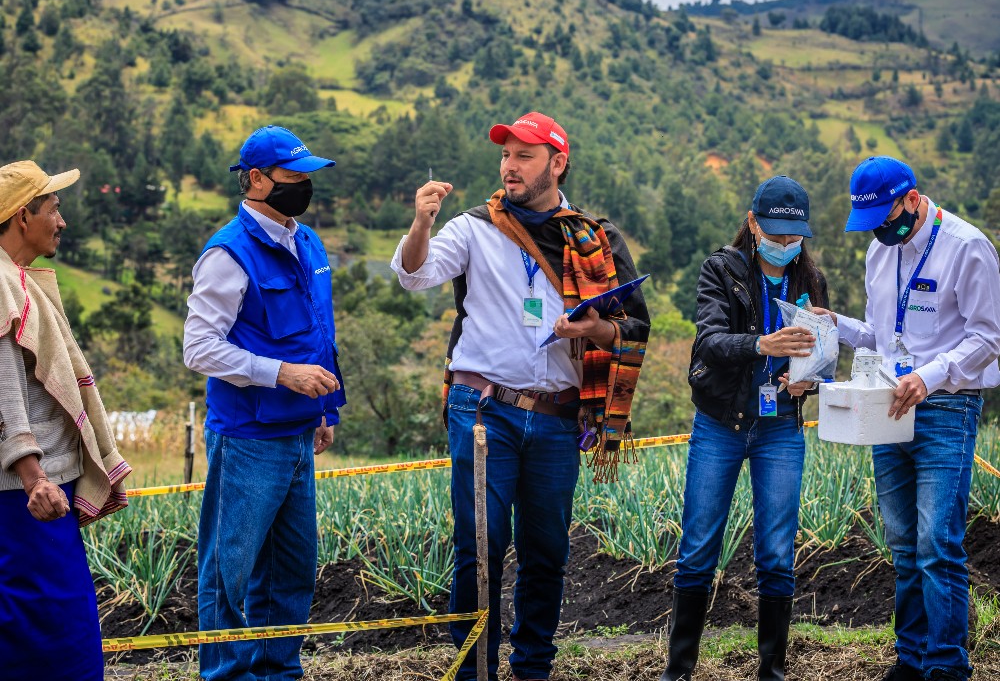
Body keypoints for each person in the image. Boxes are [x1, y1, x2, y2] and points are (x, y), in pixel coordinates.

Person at [391, 112, 650, 681]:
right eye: (506, 155)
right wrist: (420, 224)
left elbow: (633, 327)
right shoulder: (473, 227)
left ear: (557, 164)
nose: (510, 166)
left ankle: (533, 667)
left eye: (524, 156)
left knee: (547, 552)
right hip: (483, 410)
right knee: (479, 547)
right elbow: (414, 274)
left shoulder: (596, 239)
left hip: (558, 417)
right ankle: (473, 669)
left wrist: (592, 331)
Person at [813, 156, 1000, 681]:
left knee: (936, 542)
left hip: (945, 406)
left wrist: (932, 376)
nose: (880, 232)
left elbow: (989, 337)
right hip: (888, 404)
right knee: (900, 540)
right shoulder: (880, 251)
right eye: (871, 225)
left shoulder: (967, 248)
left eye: (887, 218)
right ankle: (911, 656)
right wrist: (839, 325)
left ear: (912, 199)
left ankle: (945, 665)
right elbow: (881, 334)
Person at [183, 125, 346, 681]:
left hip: (300, 432)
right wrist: (281, 375)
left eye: (308, 176)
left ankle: (279, 672)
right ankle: (225, 675)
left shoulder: (307, 243)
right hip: (248, 439)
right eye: (293, 177)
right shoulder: (228, 253)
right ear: (256, 180)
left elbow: (320, 334)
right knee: (229, 572)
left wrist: (325, 410)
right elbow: (199, 348)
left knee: (291, 570)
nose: (303, 185)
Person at [661, 176, 826, 681]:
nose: (783, 246)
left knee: (777, 555)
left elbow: (821, 359)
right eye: (774, 235)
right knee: (698, 551)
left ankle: (771, 671)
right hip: (720, 425)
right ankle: (679, 669)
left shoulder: (810, 282)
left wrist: (808, 382)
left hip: (781, 428)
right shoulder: (721, 269)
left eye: (792, 238)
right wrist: (764, 344)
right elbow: (710, 342)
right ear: (753, 224)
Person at [0, 160, 132, 680]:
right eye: (53, 208)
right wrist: (33, 477)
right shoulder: (1, 285)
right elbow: (4, 386)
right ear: (21, 215)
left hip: (32, 488)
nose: (62, 220)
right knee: (55, 626)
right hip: (24, 492)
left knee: (39, 620)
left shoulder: (17, 280)